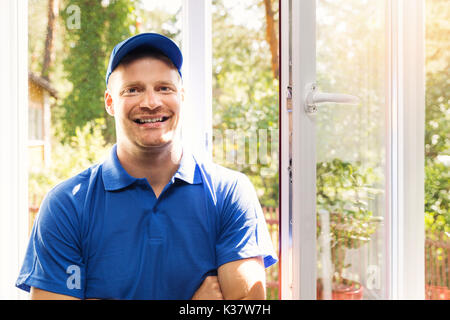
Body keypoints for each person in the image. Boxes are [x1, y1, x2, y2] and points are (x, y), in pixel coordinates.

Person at [16, 33, 277, 300]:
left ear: (182, 96)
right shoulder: (67, 205)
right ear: (110, 102)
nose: (151, 103)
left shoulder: (229, 193)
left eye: (164, 88)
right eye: (133, 89)